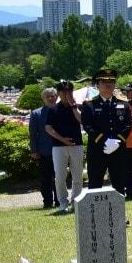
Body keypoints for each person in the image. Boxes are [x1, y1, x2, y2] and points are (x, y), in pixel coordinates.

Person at [80, 68, 132, 191]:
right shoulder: (89, 105)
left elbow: (128, 124)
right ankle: (95, 211)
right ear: (97, 85)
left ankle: (118, 210)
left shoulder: (124, 104)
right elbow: (87, 126)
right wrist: (105, 141)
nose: (108, 84)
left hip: (118, 150)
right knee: (95, 185)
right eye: (104, 81)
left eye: (111, 81)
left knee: (119, 185)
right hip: (98, 150)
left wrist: (117, 141)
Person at [46, 80, 84, 213]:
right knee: (60, 176)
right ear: (59, 93)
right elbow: (49, 129)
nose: (67, 94)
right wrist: (63, 140)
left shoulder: (78, 106)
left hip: (77, 145)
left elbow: (82, 121)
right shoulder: (53, 109)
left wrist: (74, 107)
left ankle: (76, 201)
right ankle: (63, 202)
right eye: (64, 91)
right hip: (58, 147)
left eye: (69, 91)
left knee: (78, 176)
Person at [27, 87, 58, 208]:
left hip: (61, 149)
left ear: (56, 97)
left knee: (59, 178)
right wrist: (34, 150)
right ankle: (47, 202)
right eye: (48, 96)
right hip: (44, 151)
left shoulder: (61, 111)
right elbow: (33, 134)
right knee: (46, 179)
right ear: (43, 99)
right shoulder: (36, 113)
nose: (51, 98)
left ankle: (60, 200)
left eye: (53, 96)